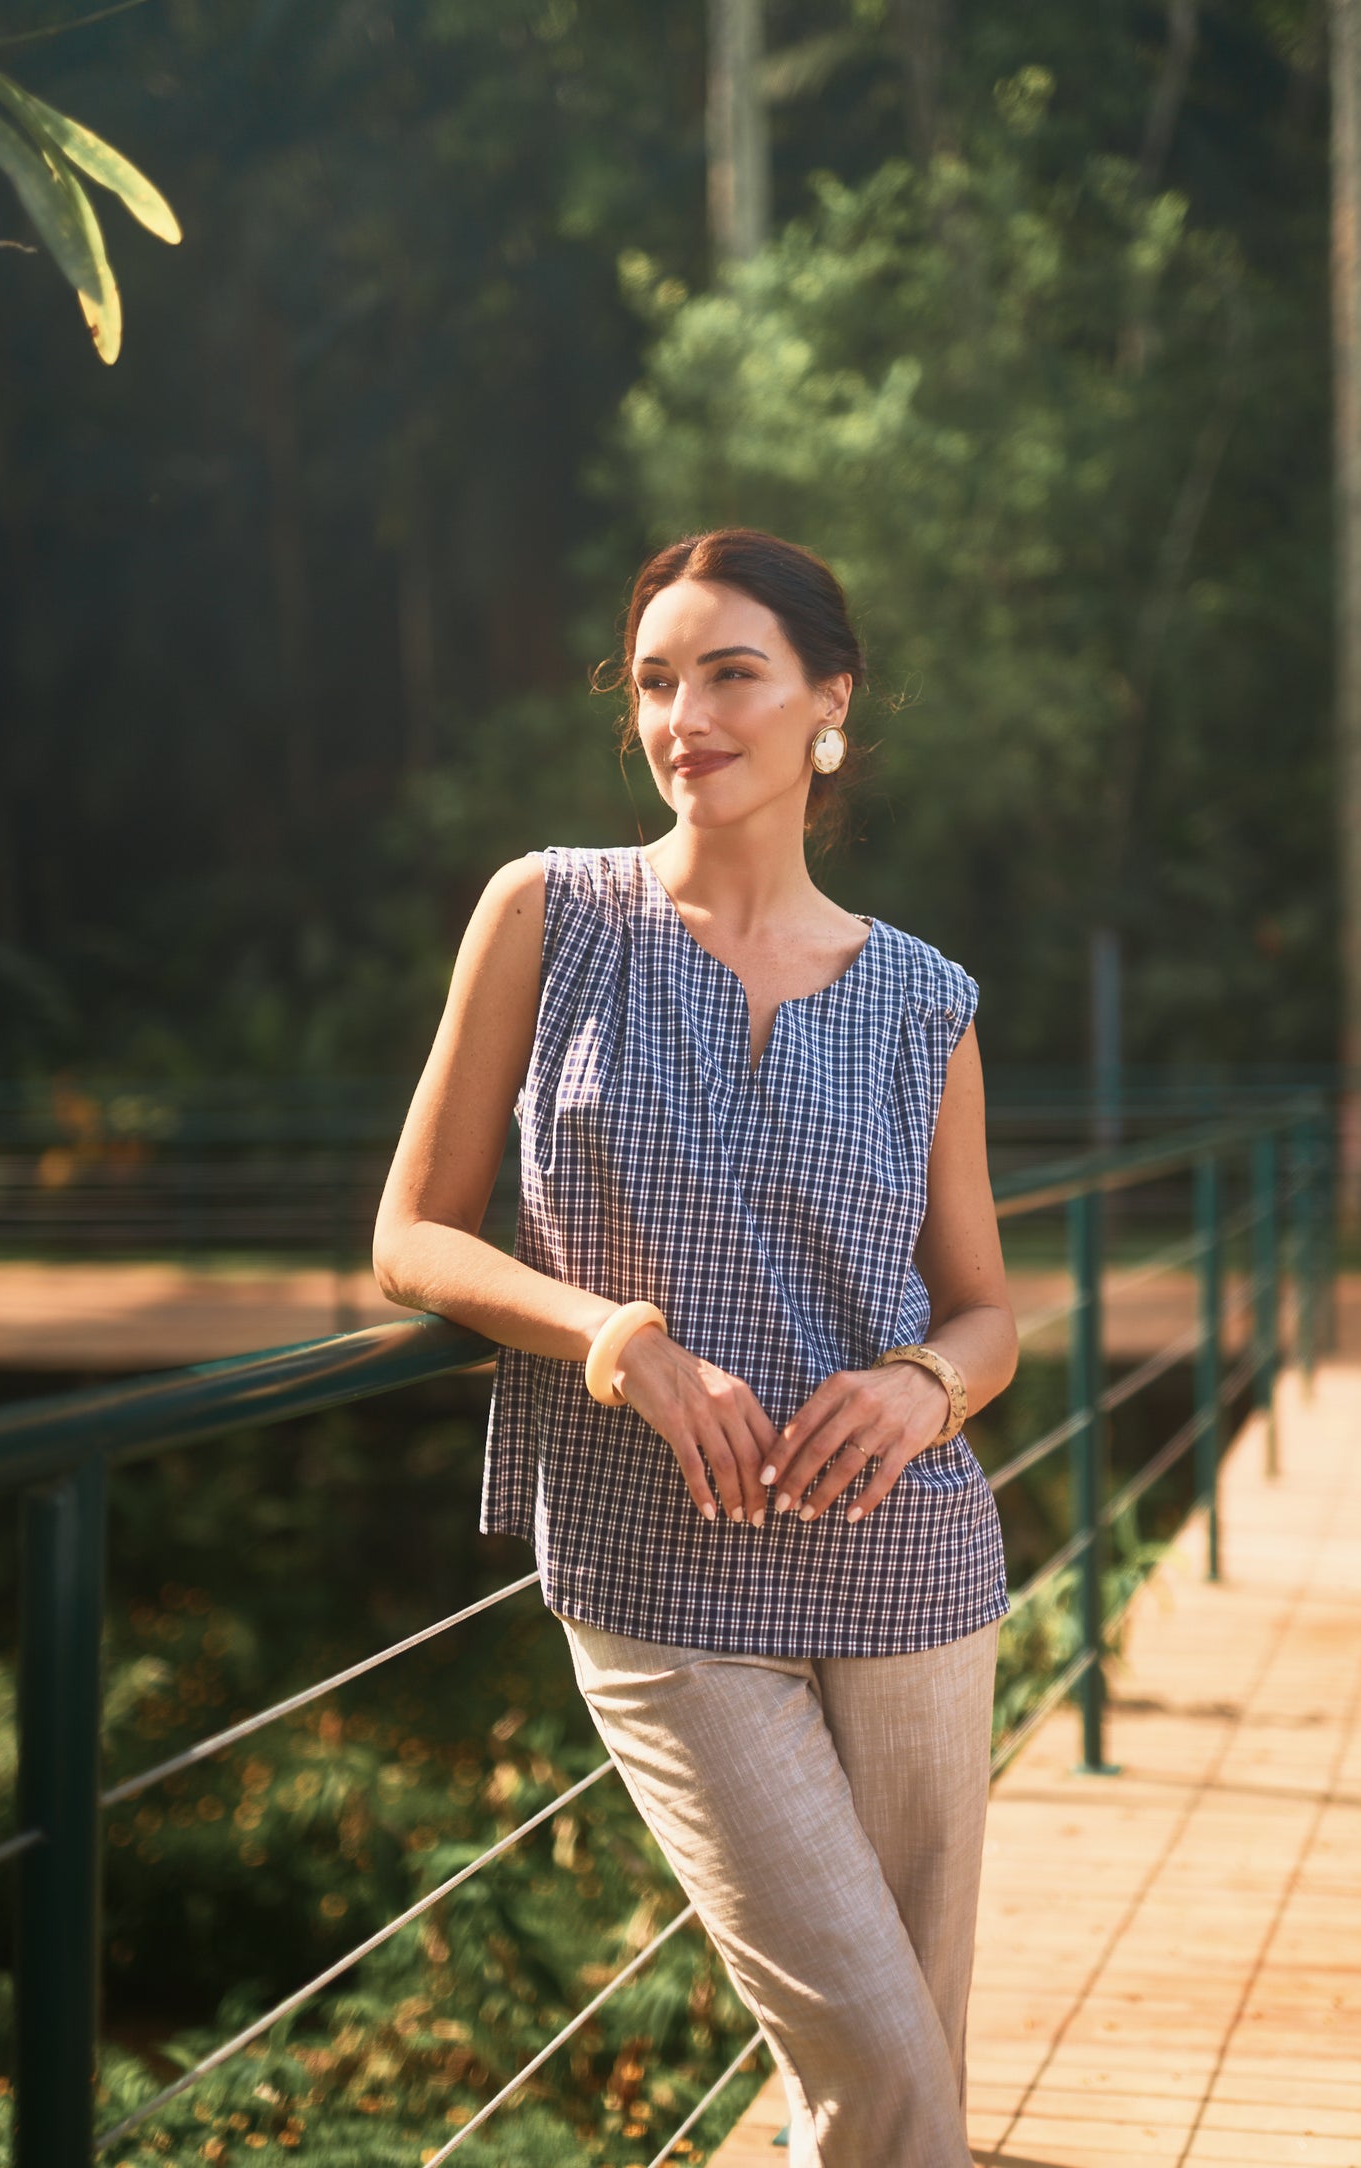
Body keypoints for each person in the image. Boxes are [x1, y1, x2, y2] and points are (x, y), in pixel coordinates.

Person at [373, 527, 1018, 2167]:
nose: (684, 716)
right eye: (656, 681)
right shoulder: (550, 913)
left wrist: (923, 1385)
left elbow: (985, 1310)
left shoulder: (923, 1000)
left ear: (829, 703)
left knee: (902, 2066)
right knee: (881, 2062)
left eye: (732, 673)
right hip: (654, 1572)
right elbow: (414, 1237)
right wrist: (616, 1339)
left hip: (909, 1568)